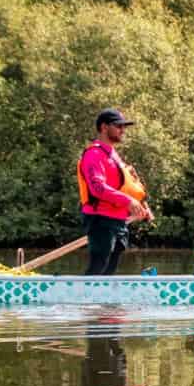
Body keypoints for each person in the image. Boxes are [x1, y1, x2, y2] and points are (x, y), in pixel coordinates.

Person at [77, 108, 152, 276]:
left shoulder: (113, 155)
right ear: (104, 127)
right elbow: (98, 188)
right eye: (118, 126)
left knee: (109, 271)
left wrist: (141, 206)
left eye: (123, 126)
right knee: (98, 267)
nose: (122, 130)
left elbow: (128, 185)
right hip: (100, 219)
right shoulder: (93, 154)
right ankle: (84, 293)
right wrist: (128, 201)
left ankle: (102, 295)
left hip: (118, 220)